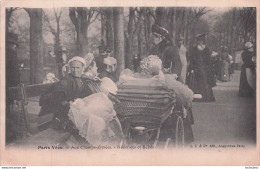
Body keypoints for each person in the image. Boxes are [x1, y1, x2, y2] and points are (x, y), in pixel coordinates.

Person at [187, 34, 215, 102]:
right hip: (196, 69)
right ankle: (197, 97)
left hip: (204, 69)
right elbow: (192, 60)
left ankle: (206, 97)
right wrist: (191, 68)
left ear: (203, 41)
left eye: (201, 40)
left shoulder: (206, 49)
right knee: (196, 83)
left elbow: (209, 61)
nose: (199, 42)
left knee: (205, 83)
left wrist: (208, 68)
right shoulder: (194, 49)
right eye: (198, 40)